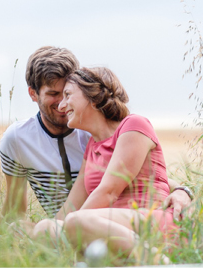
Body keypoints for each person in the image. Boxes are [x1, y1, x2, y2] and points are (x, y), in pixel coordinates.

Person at [0, 47, 192, 222]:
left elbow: (148, 176)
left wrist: (184, 191)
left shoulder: (95, 132)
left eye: (66, 93)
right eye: (53, 94)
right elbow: (14, 210)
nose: (61, 104)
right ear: (33, 94)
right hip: (78, 226)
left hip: (104, 223)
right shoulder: (18, 139)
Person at [32, 67, 189, 255]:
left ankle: (158, 263)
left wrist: (69, 228)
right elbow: (69, 210)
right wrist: (29, 232)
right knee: (44, 229)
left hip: (150, 221)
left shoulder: (134, 125)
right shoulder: (92, 147)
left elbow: (109, 192)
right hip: (107, 227)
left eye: (68, 95)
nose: (61, 106)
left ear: (92, 94)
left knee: (76, 222)